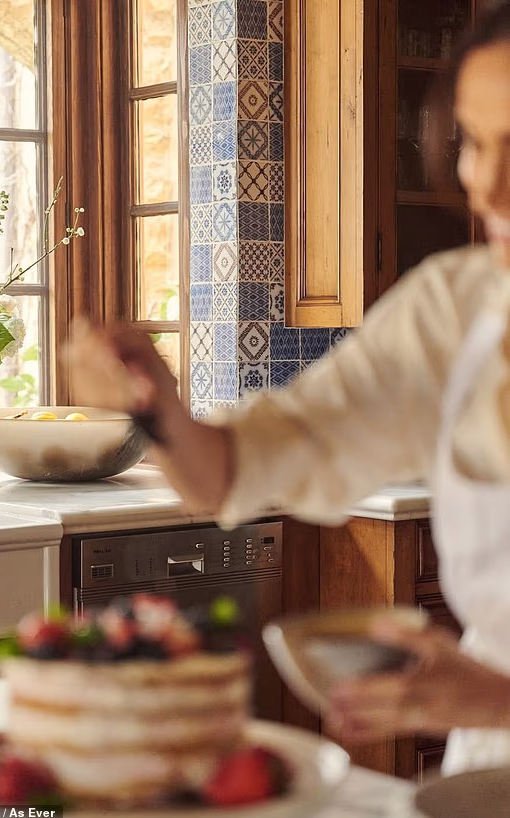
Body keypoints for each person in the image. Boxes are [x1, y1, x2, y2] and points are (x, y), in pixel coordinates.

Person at [68, 2, 510, 775]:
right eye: (475, 144)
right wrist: (157, 402)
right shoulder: (458, 310)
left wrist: (497, 700)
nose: (490, 186)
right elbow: (235, 469)